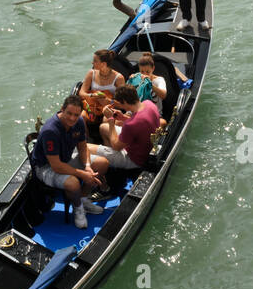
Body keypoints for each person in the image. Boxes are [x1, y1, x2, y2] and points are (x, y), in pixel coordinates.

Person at [29, 95, 110, 230]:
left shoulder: (79, 122)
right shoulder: (50, 131)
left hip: (66, 158)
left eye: (76, 115)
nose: (72, 118)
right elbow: (56, 166)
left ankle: (83, 198)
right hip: (46, 167)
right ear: (62, 109)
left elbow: (83, 147)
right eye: (69, 113)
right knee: (73, 182)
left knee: (102, 163)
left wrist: (88, 167)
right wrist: (83, 175)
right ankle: (78, 208)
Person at [96, 89, 161, 174]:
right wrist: (123, 118)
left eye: (120, 104)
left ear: (125, 102)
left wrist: (111, 120)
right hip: (146, 145)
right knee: (103, 127)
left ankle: (113, 166)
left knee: (89, 148)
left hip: (135, 160)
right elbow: (142, 122)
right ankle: (113, 159)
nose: (119, 106)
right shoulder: (148, 103)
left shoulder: (130, 125)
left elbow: (116, 146)